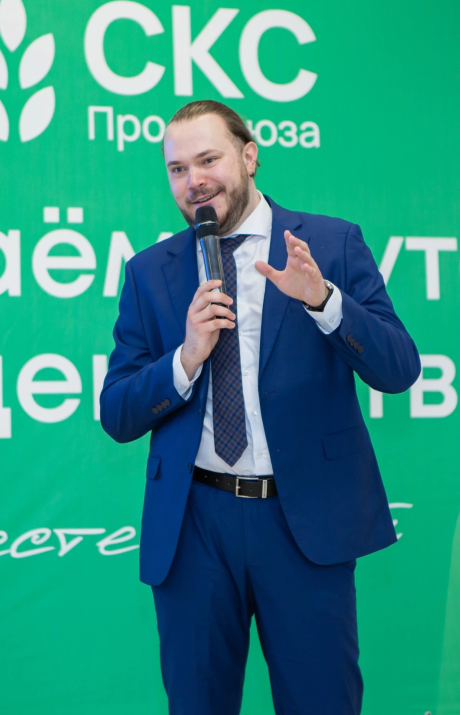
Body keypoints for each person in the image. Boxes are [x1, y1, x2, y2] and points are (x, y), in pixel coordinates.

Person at [99, 99, 421, 714]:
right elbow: (117, 411)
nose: (193, 180)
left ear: (249, 157)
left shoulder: (329, 243)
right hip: (194, 525)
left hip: (303, 522)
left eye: (208, 160)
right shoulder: (149, 272)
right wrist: (185, 358)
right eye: (176, 169)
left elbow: (399, 368)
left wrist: (324, 301)